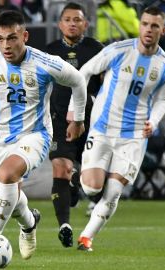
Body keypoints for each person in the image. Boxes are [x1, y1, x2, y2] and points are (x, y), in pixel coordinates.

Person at [0, 10, 87, 260]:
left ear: (25, 36)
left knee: (6, 175)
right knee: (9, 194)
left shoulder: (44, 62)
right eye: (0, 39)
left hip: (36, 135)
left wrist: (79, 118)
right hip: (0, 137)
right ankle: (29, 223)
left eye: (12, 38)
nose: (5, 45)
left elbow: (78, 81)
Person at [76, 6, 165, 251]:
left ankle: (86, 238)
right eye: (145, 24)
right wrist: (77, 110)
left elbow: (163, 99)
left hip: (134, 136)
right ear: (140, 25)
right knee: (92, 187)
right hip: (103, 128)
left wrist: (154, 121)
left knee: (114, 191)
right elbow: (86, 70)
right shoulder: (118, 50)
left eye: (154, 26)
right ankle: (86, 189)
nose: (148, 29)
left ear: (163, 30)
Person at [45, 2, 103, 248]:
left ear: (85, 24)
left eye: (77, 19)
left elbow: (108, 83)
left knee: (93, 181)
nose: (72, 23)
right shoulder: (49, 52)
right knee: (60, 169)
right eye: (67, 19)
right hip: (59, 120)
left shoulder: (96, 49)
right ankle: (64, 227)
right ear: (60, 24)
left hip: (91, 121)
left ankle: (79, 184)